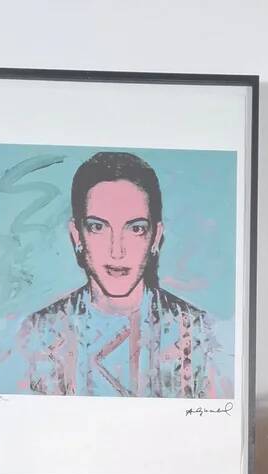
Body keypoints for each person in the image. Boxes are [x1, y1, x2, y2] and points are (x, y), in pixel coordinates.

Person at [16, 151, 231, 398]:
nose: (116, 251)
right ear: (77, 235)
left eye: (135, 228)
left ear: (156, 237)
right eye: (97, 227)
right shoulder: (41, 333)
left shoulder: (198, 333)